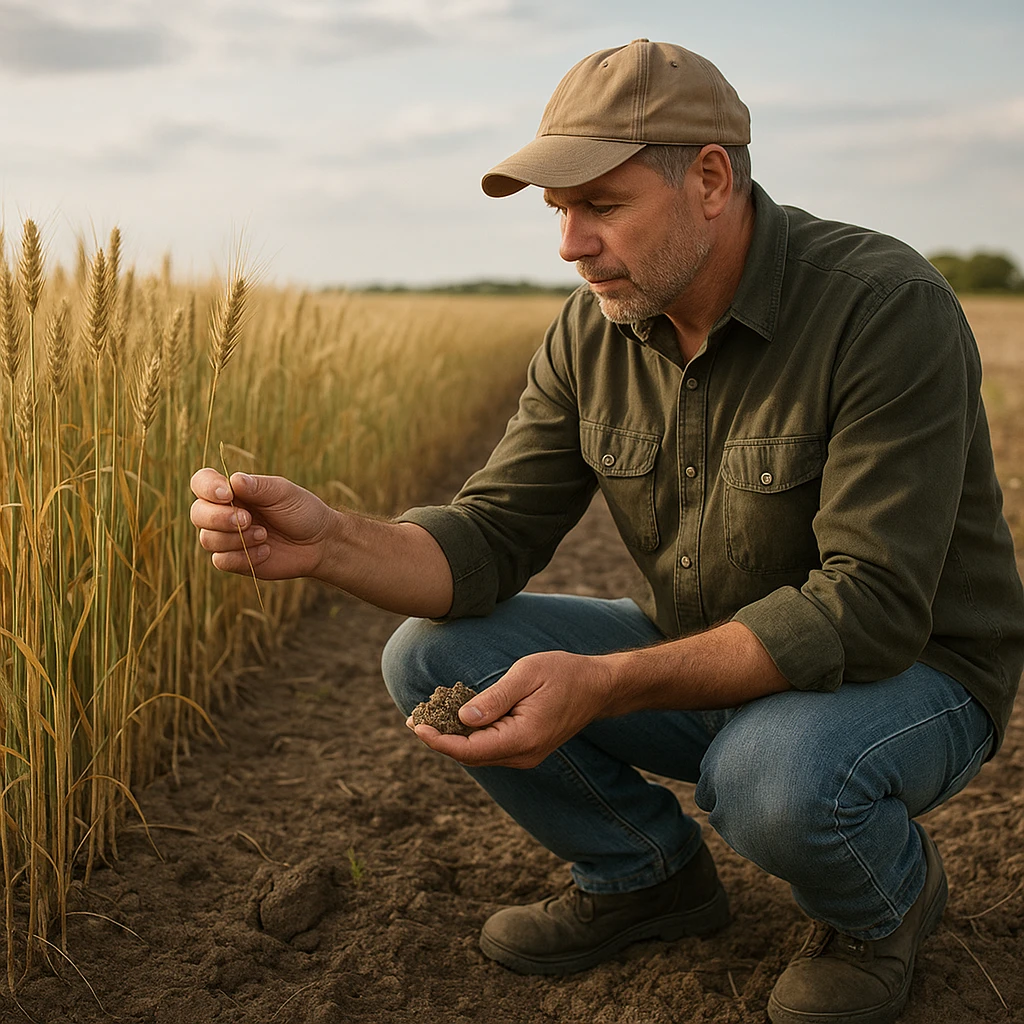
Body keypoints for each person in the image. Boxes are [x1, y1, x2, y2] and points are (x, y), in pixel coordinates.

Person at [190, 39, 1024, 1024]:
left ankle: (887, 902)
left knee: (766, 774)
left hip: (908, 680)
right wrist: (330, 541)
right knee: (431, 654)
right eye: (559, 212)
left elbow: (872, 608)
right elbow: (492, 536)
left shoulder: (882, 307)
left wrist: (607, 682)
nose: (569, 244)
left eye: (601, 205)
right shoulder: (590, 333)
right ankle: (647, 878)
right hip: (716, 662)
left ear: (709, 179)